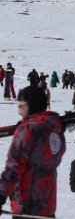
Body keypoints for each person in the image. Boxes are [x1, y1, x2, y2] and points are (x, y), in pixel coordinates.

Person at [0, 85, 66, 216]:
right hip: (48, 205)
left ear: (32, 105)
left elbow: (14, 168)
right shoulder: (56, 128)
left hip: (26, 205)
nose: (19, 112)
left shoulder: (28, 129)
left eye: (22, 106)